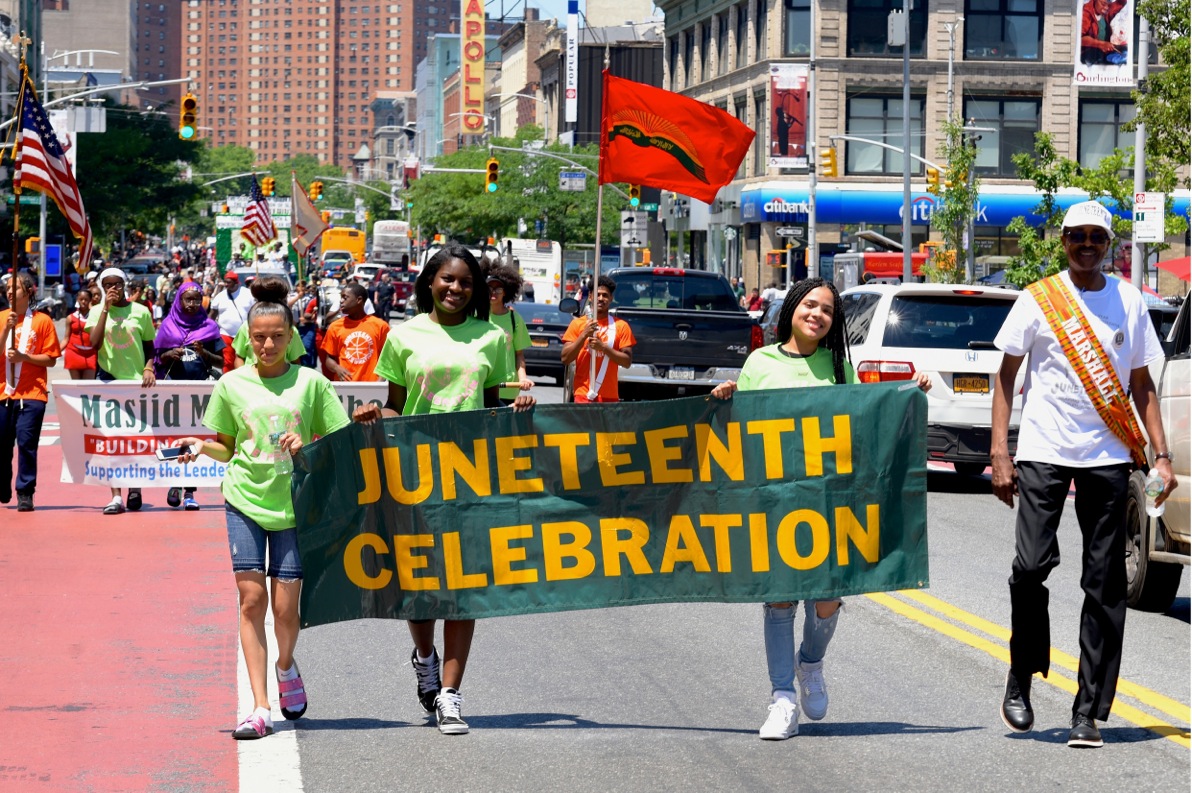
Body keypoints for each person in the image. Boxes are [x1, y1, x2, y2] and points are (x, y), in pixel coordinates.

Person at [710, 277, 930, 741]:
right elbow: (738, 432)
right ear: (792, 308)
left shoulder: (838, 366)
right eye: (810, 305)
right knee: (780, 596)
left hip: (829, 502)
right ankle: (782, 698)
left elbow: (867, 416)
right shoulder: (759, 362)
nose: (817, 314)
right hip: (775, 500)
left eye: (827, 309)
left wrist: (910, 391)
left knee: (827, 599)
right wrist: (724, 401)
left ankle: (810, 664)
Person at [991, 201, 1176, 749]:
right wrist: (1001, 453)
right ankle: (1022, 676)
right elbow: (1006, 377)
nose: (1088, 245)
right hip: (1044, 449)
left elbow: (1141, 383)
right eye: (1078, 236)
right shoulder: (1039, 299)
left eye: (1098, 237)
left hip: (1108, 455)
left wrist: (1160, 454)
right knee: (1029, 568)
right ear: (1064, 241)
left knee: (1105, 582)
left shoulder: (1128, 300)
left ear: (1111, 244)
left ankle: (1087, 711)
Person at [353, 242, 535, 736]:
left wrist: (515, 413)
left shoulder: (491, 337)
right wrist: (375, 416)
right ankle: (425, 656)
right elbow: (395, 406)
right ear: (430, 283)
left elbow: (493, 406)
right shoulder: (403, 335)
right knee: (421, 589)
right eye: (448, 280)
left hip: (472, 479)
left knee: (464, 590)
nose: (456, 289)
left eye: (466, 283)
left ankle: (451, 696)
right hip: (415, 479)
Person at [176, 276, 350, 741]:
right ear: (246, 339)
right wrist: (198, 444)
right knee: (251, 600)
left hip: (295, 506)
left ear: (291, 336)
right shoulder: (231, 385)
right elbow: (227, 448)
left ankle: (286, 665)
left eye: (277, 336)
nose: (268, 344)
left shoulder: (312, 383)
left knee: (285, 608)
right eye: (259, 337)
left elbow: (338, 442)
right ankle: (258, 707)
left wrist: (305, 447)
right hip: (244, 501)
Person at [85, 267, 157, 515]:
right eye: (107, 285)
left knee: (135, 439)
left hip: (137, 383)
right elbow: (94, 344)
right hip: (108, 381)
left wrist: (149, 367)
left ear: (125, 285)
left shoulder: (141, 311)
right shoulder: (96, 311)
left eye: (117, 284)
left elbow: (150, 347)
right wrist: (106, 307)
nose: (113, 289)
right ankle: (115, 496)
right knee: (111, 440)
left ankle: (134, 487)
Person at [155, 281, 226, 511]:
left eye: (197, 299)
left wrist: (204, 352)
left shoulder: (209, 327)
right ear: (179, 300)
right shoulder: (168, 325)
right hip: (173, 392)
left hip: (201, 394)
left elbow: (222, 361)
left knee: (196, 440)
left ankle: (190, 492)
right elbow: (156, 357)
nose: (193, 303)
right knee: (176, 438)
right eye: (189, 299)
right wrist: (169, 354)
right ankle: (176, 481)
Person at [0, 272, 62, 512]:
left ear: (28, 292)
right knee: (2, 444)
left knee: (26, 444)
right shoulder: (2, 318)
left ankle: (25, 491)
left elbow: (50, 359)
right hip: (4, 393)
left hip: (32, 393)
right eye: (6, 288)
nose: (8, 292)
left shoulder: (42, 321)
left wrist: (25, 357)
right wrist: (6, 330)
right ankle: (3, 483)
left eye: (14, 288)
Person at [561, 276, 636, 404]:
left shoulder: (621, 326)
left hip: (609, 397)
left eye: (605, 295)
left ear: (611, 298)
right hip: (583, 395)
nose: (601, 299)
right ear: (590, 297)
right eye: (598, 295)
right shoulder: (577, 324)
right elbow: (565, 358)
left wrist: (604, 348)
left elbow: (627, 362)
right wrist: (583, 335)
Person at [320, 282, 390, 382]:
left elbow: (387, 359)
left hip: (372, 387)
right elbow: (329, 359)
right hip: (345, 388)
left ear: (359, 300)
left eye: (345, 297)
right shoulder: (335, 326)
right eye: (341, 297)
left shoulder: (380, 326)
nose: (341, 301)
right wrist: (337, 368)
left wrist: (379, 383)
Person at [484, 263, 533, 404]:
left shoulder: (514, 319)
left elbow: (519, 355)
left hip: (508, 388)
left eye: (498, 289)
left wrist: (522, 378)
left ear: (505, 292)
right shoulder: (476, 316)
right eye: (489, 288)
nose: (493, 292)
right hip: (481, 386)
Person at [209, 271, 254, 373]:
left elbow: (255, 312)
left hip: (245, 334)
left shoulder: (248, 294)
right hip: (226, 334)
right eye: (225, 282)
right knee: (227, 361)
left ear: (236, 282)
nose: (226, 284)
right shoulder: (220, 297)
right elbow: (212, 316)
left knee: (245, 360)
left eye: (228, 282)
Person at [63, 285, 98, 380]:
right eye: (81, 299)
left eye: (86, 299)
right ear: (77, 299)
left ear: (90, 300)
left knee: (88, 386)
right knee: (76, 386)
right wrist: (55, 352)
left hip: (91, 354)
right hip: (73, 353)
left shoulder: (95, 316)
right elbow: (66, 338)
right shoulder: (70, 317)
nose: (83, 302)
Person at [1080, 0, 1128, 65]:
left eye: (1108, 5)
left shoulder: (1106, 11)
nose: (1106, 8)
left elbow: (1120, 3)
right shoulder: (1085, 12)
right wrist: (1101, 44)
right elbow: (1080, 39)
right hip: (1089, 56)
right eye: (1103, 4)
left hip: (1104, 54)